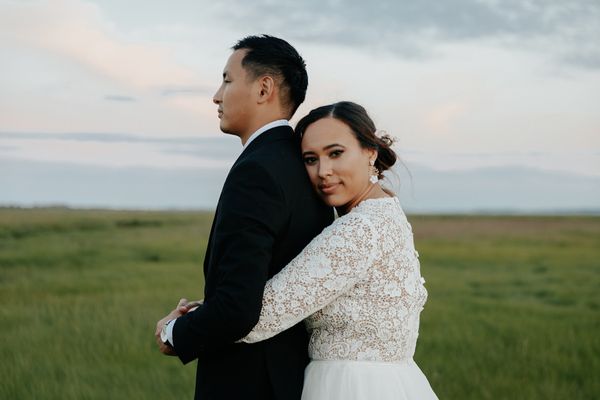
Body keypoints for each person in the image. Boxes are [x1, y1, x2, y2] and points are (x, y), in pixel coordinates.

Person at [154, 35, 333, 400]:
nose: (216, 96)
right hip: (289, 378)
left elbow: (238, 308)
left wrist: (173, 334)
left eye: (227, 80)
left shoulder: (257, 172)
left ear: (263, 88)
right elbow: (270, 279)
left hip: (247, 381)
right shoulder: (301, 167)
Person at [236, 101, 439, 399]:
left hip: (349, 387)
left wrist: (181, 326)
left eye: (335, 153)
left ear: (371, 151)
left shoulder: (359, 230)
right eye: (310, 159)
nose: (323, 171)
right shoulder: (387, 211)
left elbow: (256, 317)